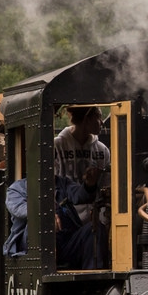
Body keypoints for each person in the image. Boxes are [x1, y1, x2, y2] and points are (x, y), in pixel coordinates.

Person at [53, 106, 111, 269]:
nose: (102, 122)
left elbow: (107, 187)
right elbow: (51, 185)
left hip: (94, 223)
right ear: (87, 118)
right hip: (64, 224)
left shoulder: (102, 150)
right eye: (98, 117)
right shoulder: (57, 146)